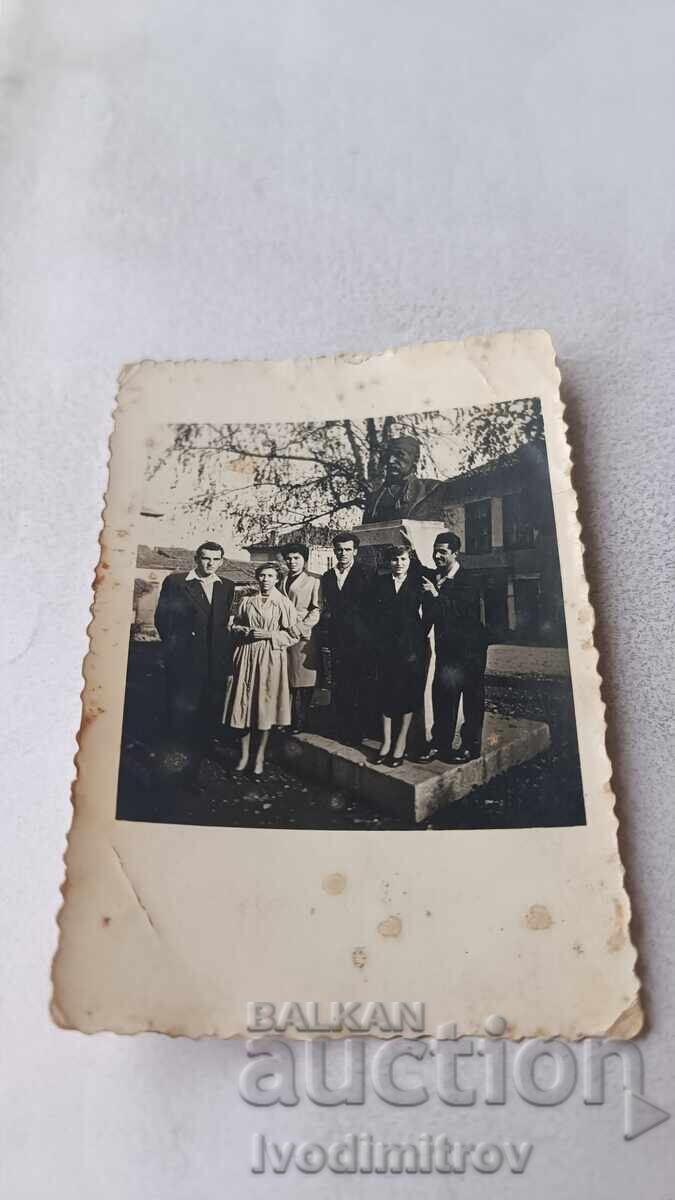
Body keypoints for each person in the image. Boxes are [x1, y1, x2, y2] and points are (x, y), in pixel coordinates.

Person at [154, 541, 235, 782]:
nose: (210, 564)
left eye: (216, 559)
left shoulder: (226, 586)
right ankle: (175, 768)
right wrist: (176, 652)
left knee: (208, 716)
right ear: (196, 559)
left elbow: (222, 627)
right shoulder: (177, 583)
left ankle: (196, 767)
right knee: (181, 717)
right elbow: (162, 619)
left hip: (214, 664)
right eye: (206, 558)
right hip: (185, 662)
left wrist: (225, 663)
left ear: (221, 561)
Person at [419, 531, 489, 762]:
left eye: (443, 552)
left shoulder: (468, 579)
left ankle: (470, 746)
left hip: (470, 650)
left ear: (455, 553)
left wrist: (436, 595)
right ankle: (440, 744)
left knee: (471, 698)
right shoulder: (436, 576)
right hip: (446, 649)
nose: (437, 556)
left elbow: (459, 611)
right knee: (442, 695)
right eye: (435, 551)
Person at [227, 561, 299, 775]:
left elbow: (294, 635)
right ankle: (244, 755)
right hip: (246, 653)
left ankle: (259, 758)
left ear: (277, 579)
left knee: (264, 704)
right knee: (244, 705)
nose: (265, 580)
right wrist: (245, 632)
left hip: (270, 656)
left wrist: (269, 634)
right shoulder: (247, 601)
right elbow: (234, 626)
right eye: (262, 576)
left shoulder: (284, 603)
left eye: (270, 576)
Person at [368, 545, 431, 766]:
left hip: (411, 649)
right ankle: (386, 743)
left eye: (403, 559)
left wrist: (416, 637)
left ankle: (400, 744)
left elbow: (428, 614)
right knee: (384, 693)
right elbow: (372, 615)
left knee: (407, 694)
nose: (399, 563)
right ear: (389, 562)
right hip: (386, 647)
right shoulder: (380, 583)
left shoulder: (418, 583)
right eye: (394, 559)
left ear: (409, 560)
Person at [319, 532, 373, 745]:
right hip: (337, 638)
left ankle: (358, 731)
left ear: (355, 551)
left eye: (348, 549)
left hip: (361, 640)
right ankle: (340, 727)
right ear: (334, 551)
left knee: (360, 684)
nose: (343, 553)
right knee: (340, 684)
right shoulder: (328, 576)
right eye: (339, 549)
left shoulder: (366, 573)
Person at [279, 543, 321, 733]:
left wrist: (300, 627)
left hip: (303, 635)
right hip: (283, 633)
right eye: (289, 558)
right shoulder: (282, 580)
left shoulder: (313, 581)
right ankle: (286, 718)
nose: (292, 561)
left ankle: (301, 720)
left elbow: (317, 609)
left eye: (296, 558)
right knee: (287, 678)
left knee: (303, 679)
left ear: (304, 560)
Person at [362, 434, 445, 523]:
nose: (391, 461)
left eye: (399, 455)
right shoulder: (373, 499)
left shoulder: (431, 489)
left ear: (415, 459)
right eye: (388, 456)